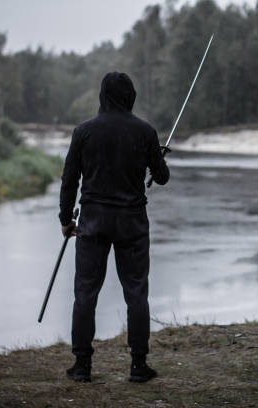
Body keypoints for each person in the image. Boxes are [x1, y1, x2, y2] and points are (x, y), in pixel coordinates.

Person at [59, 71, 170, 383]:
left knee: (85, 293)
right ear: (129, 96)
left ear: (103, 96)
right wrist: (158, 158)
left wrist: (66, 219)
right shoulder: (145, 132)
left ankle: (82, 366)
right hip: (132, 223)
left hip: (93, 221)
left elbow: (69, 180)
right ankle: (138, 365)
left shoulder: (83, 132)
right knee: (136, 293)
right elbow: (161, 177)